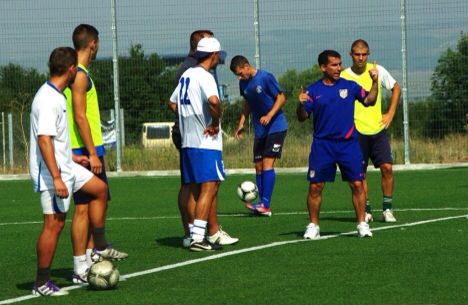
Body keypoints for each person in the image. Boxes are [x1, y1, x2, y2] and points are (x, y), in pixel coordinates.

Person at [29, 47, 118, 296]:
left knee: (99, 189)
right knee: (54, 224)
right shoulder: (47, 99)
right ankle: (41, 283)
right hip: (51, 173)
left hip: (66, 166)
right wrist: (57, 177)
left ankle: (99, 245)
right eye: (75, 70)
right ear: (70, 70)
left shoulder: (57, 95)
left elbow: (54, 140)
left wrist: (72, 157)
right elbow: (44, 140)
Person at [64, 24, 127, 284]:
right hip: (84, 151)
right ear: (93, 44)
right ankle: (81, 262)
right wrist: (91, 152)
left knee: (95, 203)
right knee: (82, 208)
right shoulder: (79, 75)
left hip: (88, 150)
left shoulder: (77, 73)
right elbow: (80, 116)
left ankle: (91, 255)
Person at [296, 50, 379, 239]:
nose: (338, 68)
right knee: (315, 186)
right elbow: (302, 117)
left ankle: (362, 224)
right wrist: (300, 104)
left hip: (347, 144)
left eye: (339, 64)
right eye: (333, 65)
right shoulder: (312, 91)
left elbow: (369, 100)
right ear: (322, 67)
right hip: (322, 145)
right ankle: (313, 225)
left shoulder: (350, 86)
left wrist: (374, 82)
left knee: (357, 184)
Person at [170, 30, 238, 248]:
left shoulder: (186, 75)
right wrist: (214, 123)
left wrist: (188, 119)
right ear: (214, 55)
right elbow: (214, 102)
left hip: (188, 141)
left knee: (191, 186)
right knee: (210, 187)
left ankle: (191, 234)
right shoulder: (205, 76)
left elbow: (172, 103)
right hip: (205, 143)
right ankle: (199, 237)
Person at [341, 39, 400, 223]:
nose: (360, 58)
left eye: (364, 54)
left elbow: (396, 88)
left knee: (387, 168)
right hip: (356, 132)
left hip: (377, 130)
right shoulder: (343, 76)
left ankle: (387, 209)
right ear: (350, 54)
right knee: (360, 173)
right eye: (357, 54)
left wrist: (390, 113)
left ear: (368, 54)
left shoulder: (377, 70)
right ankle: (365, 210)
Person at [230, 55, 287, 217]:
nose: (240, 77)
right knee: (258, 165)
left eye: (241, 73)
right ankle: (261, 203)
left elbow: (281, 97)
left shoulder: (265, 77)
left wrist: (269, 115)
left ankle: (265, 204)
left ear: (247, 66)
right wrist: (241, 123)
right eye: (237, 75)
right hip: (260, 129)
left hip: (276, 126)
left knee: (268, 162)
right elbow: (248, 102)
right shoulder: (243, 83)